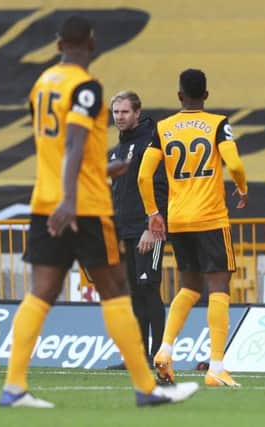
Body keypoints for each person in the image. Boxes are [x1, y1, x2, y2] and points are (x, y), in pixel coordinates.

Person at [0, 15, 198, 408]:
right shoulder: (85, 88)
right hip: (83, 206)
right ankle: (146, 387)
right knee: (117, 289)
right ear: (91, 44)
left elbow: (54, 146)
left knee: (41, 292)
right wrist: (73, 198)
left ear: (58, 45)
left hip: (45, 201)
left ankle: (14, 386)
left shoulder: (41, 86)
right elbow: (72, 142)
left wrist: (97, 170)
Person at [137, 69, 248, 388]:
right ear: (207, 95)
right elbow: (236, 165)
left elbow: (144, 176)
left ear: (179, 96)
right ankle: (215, 366)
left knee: (189, 287)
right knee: (219, 289)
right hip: (210, 218)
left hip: (179, 219)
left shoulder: (163, 127)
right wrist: (242, 188)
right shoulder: (217, 123)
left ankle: (165, 349)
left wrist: (152, 213)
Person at [107, 90, 167, 369]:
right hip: (125, 229)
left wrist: (151, 226)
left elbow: (160, 186)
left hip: (147, 229)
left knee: (149, 288)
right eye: (116, 112)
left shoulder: (151, 142)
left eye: (125, 112)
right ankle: (139, 356)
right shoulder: (120, 148)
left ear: (137, 113)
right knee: (134, 292)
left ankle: (158, 355)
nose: (119, 117)